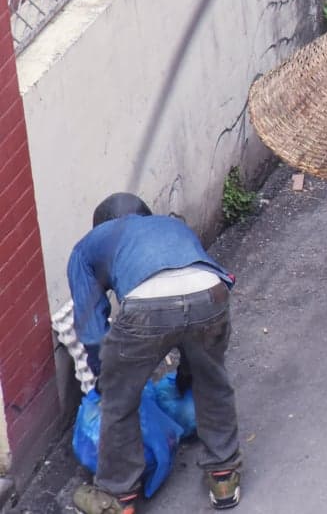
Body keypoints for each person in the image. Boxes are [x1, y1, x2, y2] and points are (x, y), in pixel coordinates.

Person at [69, 193, 241, 514]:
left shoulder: (86, 247)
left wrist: (104, 381)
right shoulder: (171, 226)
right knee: (212, 381)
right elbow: (188, 300)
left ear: (101, 224)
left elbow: (92, 330)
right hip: (212, 291)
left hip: (148, 306)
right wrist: (187, 379)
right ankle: (224, 476)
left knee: (120, 399)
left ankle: (118, 498)